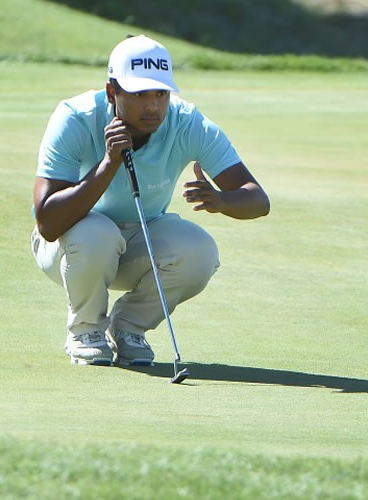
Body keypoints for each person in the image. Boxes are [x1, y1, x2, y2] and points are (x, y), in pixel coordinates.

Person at [31, 35, 269, 366]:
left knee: (199, 251)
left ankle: (128, 327)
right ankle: (86, 330)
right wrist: (107, 164)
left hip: (138, 240)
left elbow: (258, 200)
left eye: (161, 94)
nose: (153, 106)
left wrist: (221, 199)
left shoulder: (186, 122)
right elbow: (48, 223)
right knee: (96, 232)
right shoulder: (75, 116)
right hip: (69, 247)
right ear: (112, 91)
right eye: (140, 94)